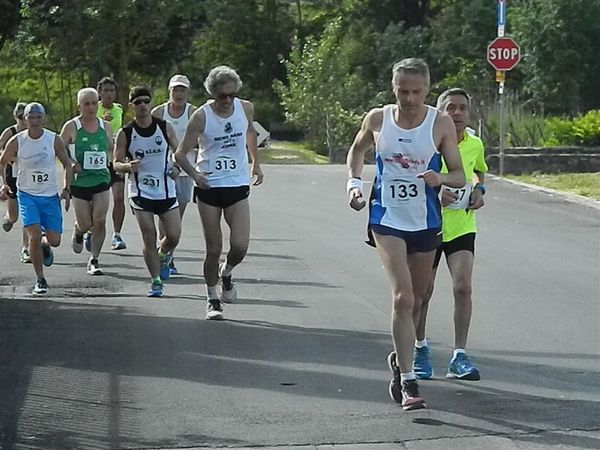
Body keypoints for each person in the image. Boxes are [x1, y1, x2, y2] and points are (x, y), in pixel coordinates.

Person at [346, 58, 465, 411]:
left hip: (426, 221)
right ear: (393, 88)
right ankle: (409, 380)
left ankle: (400, 358)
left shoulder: (440, 123)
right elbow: (356, 151)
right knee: (403, 297)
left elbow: (459, 174)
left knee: (421, 296)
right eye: (403, 91)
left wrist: (440, 178)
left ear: (427, 90)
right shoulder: (378, 118)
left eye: (416, 92)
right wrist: (354, 185)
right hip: (387, 216)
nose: (409, 99)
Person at [175, 65, 264, 320]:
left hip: (236, 184)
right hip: (209, 188)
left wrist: (255, 162)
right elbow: (180, 153)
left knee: (240, 245)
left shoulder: (245, 108)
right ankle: (212, 298)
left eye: (232, 95)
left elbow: (249, 131)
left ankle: (227, 272)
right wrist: (194, 175)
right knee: (213, 248)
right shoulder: (201, 117)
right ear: (213, 95)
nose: (228, 100)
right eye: (222, 96)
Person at [413, 88, 487, 381]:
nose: (457, 113)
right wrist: (435, 191)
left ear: (469, 113)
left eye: (462, 108)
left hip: (461, 225)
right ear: (440, 112)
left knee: (463, 287)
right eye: (451, 108)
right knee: (423, 292)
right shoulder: (427, 142)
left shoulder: (475, 143)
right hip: (428, 224)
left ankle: (459, 355)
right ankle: (420, 348)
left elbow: (479, 171)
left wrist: (480, 190)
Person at [113, 86, 181, 297]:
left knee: (173, 236)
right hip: (141, 191)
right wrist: (126, 167)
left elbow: (178, 154)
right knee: (149, 235)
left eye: (146, 101)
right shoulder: (126, 133)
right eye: (138, 102)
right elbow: (115, 163)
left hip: (166, 189)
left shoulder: (165, 127)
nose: (142, 105)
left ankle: (162, 255)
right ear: (131, 106)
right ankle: (156, 281)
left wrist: (177, 168)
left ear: (151, 103)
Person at [0, 102, 73, 295]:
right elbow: (2, 162)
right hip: (27, 195)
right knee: (32, 235)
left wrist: (66, 188)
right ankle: (40, 279)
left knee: (55, 240)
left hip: (49, 196)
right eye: (30, 117)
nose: (34, 121)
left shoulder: (53, 139)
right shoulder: (17, 141)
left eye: (38, 117)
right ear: (25, 119)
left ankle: (45, 245)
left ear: (44, 119)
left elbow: (66, 164)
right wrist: (4, 184)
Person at [60, 87, 113, 275]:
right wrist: (71, 161)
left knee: (99, 220)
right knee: (85, 223)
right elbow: (59, 148)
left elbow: (111, 149)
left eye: (93, 103)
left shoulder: (105, 126)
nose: (91, 107)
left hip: (101, 179)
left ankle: (94, 259)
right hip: (80, 182)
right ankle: (79, 230)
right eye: (86, 104)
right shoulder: (72, 126)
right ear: (79, 106)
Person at [152, 74, 197, 275]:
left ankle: (166, 251)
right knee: (165, 214)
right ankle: (166, 257)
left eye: (183, 90)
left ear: (188, 92)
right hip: (164, 171)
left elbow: (203, 139)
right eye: (175, 90)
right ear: (169, 91)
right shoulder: (159, 112)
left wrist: (188, 148)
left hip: (186, 171)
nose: (179, 94)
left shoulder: (194, 113)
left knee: (177, 217)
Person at [97, 76, 127, 251]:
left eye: (112, 91)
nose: (109, 94)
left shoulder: (119, 109)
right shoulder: (94, 108)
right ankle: (90, 230)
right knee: (97, 201)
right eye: (106, 91)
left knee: (118, 197)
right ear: (100, 92)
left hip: (116, 159)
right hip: (99, 160)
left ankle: (117, 235)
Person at [0, 102, 30, 263]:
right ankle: (9, 218)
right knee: (14, 216)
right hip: (12, 176)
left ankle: (26, 248)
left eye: (24, 117)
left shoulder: (33, 133)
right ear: (16, 117)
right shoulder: (9, 132)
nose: (23, 122)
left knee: (28, 215)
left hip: (29, 178)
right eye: (20, 118)